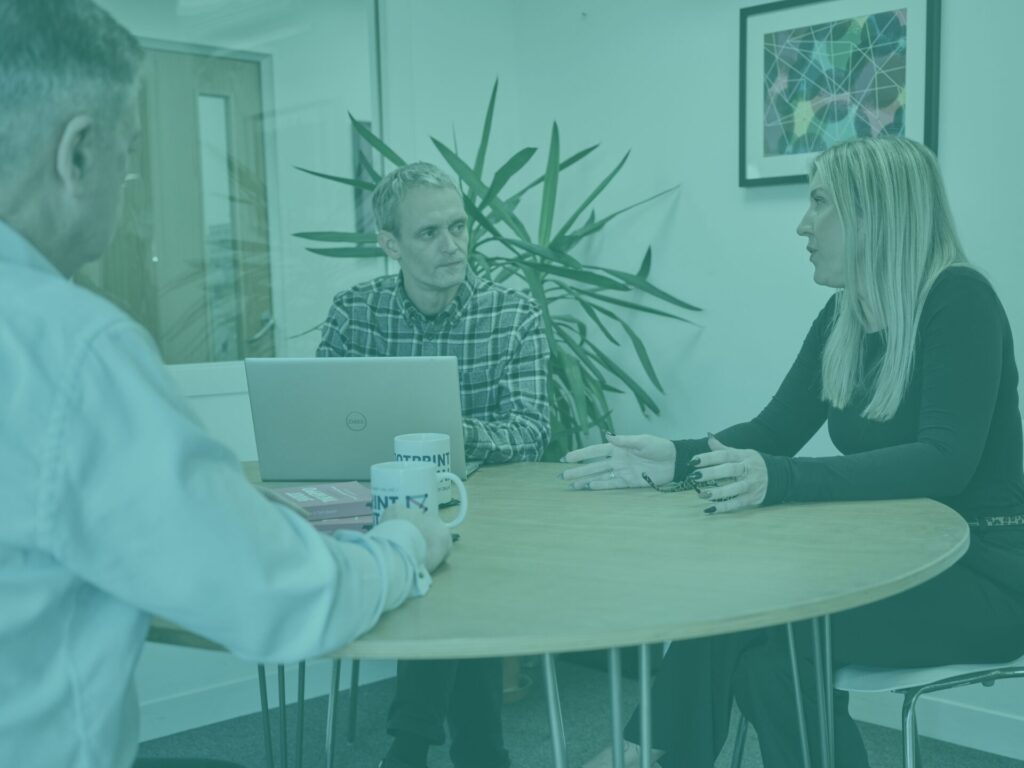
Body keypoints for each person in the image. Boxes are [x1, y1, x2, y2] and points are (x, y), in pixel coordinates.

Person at [0, 3, 452, 768]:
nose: (129, 183)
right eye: (128, 153)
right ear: (78, 156)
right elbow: (278, 600)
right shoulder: (74, 350)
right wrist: (407, 543)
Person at [561, 136, 1024, 768]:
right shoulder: (844, 316)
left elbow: (945, 461)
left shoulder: (959, 299)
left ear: (874, 214)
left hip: (982, 572)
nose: (803, 225)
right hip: (893, 561)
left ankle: (645, 757)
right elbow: (775, 433)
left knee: (778, 640)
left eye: (819, 203)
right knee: (765, 661)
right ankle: (653, 757)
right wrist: (672, 457)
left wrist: (780, 481)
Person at [316, 162, 551, 768]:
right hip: (377, 506)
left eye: (458, 226)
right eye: (429, 233)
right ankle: (478, 751)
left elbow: (530, 429)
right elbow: (318, 419)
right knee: (430, 548)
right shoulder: (355, 314)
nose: (452, 246)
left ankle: (411, 743)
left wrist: (439, 433)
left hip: (485, 511)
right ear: (390, 244)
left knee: (445, 553)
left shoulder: (513, 314)